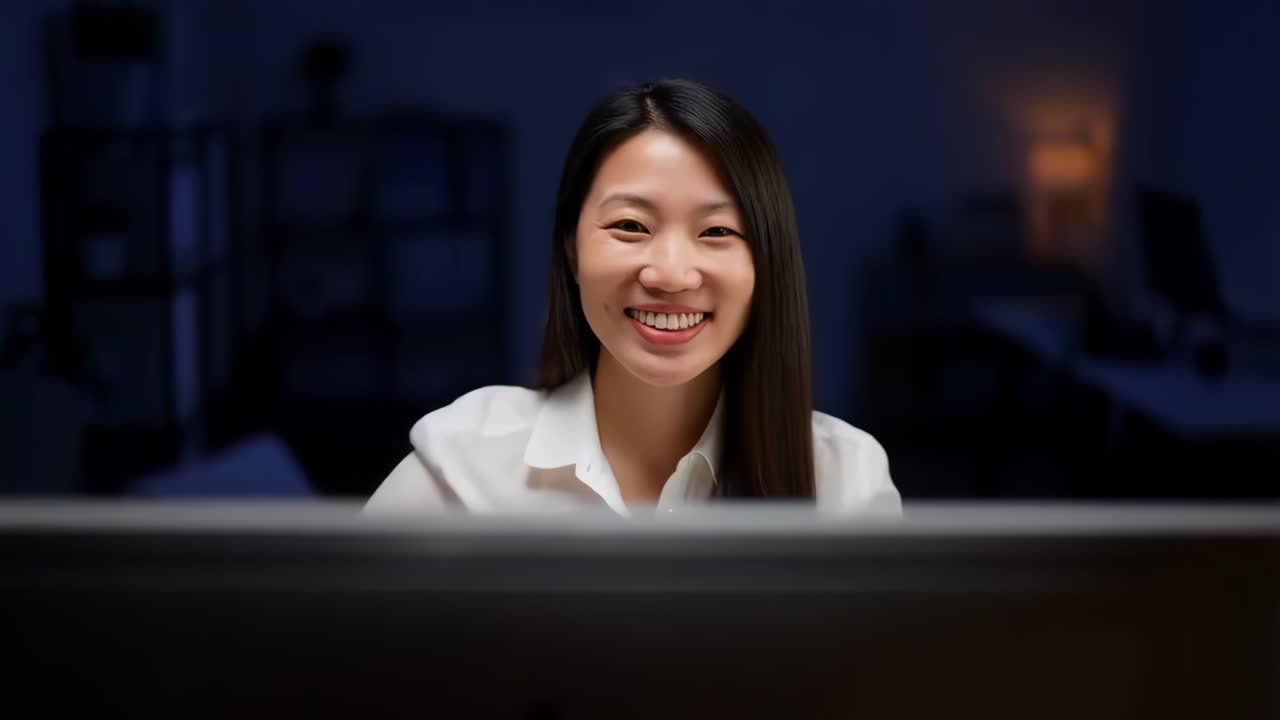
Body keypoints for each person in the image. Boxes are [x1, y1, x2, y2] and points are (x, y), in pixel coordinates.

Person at [366, 78, 900, 515]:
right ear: (572, 250)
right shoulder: (462, 463)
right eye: (630, 225)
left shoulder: (845, 482)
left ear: (767, 262)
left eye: (717, 232)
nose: (670, 274)